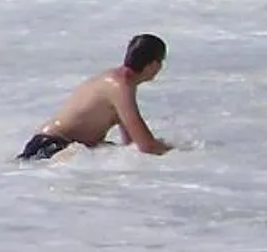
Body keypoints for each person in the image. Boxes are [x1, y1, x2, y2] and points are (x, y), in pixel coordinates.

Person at [19, 34, 171, 159]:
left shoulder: (119, 83)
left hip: (51, 146)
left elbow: (132, 143)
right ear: (153, 65)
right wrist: (182, 153)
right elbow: (146, 146)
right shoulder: (120, 87)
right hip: (51, 148)